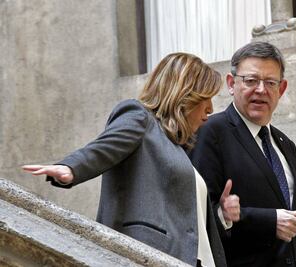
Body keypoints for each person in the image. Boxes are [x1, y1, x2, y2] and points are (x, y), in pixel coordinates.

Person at [22, 52, 241, 267]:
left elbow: (189, 227)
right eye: (205, 99)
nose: (210, 109)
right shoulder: (140, 117)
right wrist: (71, 167)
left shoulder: (177, 148)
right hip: (150, 254)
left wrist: (221, 215)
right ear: (184, 95)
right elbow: (104, 147)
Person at [189, 42, 296, 267]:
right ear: (232, 84)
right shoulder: (210, 132)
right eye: (251, 81)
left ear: (281, 89)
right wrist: (267, 221)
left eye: (270, 82)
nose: (261, 90)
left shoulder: (285, 144)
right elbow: (198, 216)